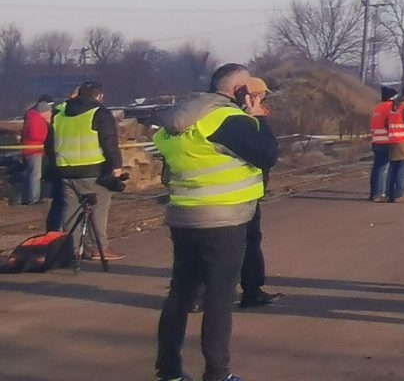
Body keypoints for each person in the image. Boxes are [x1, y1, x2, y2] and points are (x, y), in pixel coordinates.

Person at [154, 62, 279, 381]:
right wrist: (260, 120)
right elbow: (267, 155)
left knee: (180, 294)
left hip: (184, 216)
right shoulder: (227, 119)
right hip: (224, 220)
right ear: (239, 90)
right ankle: (217, 374)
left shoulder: (179, 119)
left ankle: (168, 371)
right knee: (219, 299)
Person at [47, 80, 126, 262]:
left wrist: (54, 166)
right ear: (98, 96)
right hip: (93, 171)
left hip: (65, 170)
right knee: (99, 208)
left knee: (70, 210)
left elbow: (49, 145)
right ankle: (99, 249)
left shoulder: (59, 114)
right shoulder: (100, 113)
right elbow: (109, 142)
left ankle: (71, 249)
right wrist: (116, 166)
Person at [234, 76, 283, 309]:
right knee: (248, 242)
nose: (264, 100)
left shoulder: (218, 118)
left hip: (211, 193)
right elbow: (267, 155)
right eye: (261, 95)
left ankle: (198, 295)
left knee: (210, 246)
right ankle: (251, 291)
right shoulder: (248, 121)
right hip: (243, 192)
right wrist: (261, 121)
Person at [15, 96, 47, 208]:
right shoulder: (36, 117)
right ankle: (33, 198)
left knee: (29, 174)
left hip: (30, 149)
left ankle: (24, 198)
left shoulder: (30, 116)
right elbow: (34, 134)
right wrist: (45, 139)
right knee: (35, 175)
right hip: (35, 149)